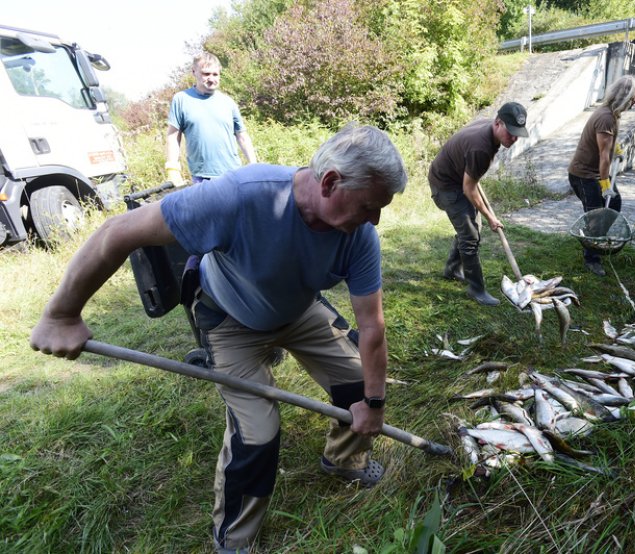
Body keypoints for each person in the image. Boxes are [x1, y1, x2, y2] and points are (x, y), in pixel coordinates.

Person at [29, 124, 408, 554]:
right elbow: (118, 231)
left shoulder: (359, 237)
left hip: (297, 309)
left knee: (361, 383)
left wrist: (374, 404)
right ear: (330, 182)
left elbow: (372, 328)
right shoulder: (244, 197)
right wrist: (61, 314)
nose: (374, 219)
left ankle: (344, 459)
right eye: (369, 206)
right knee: (258, 434)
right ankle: (234, 541)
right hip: (228, 317)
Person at [428, 102, 529, 306]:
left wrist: (469, 172)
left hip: (455, 178)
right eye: (510, 133)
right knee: (470, 236)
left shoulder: (487, 128)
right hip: (446, 186)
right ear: (498, 123)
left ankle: (452, 269)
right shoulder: (481, 148)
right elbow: (469, 189)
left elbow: (469, 178)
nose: (514, 138)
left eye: (518, 133)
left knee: (473, 228)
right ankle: (477, 289)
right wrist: (490, 216)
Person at [567, 74, 635, 277]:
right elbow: (603, 157)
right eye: (634, 97)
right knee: (596, 216)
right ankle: (591, 258)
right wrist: (604, 184)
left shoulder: (611, 113)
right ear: (624, 96)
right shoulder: (606, 117)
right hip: (584, 175)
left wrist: (615, 147)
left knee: (614, 204)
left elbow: (606, 146)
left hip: (592, 174)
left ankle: (595, 238)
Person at [165, 52, 258, 186]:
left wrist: (253, 164)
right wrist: (172, 168)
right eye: (206, 74)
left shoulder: (228, 102)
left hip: (232, 174)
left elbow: (242, 136)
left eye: (215, 74)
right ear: (194, 72)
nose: (211, 78)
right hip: (202, 178)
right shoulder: (182, 99)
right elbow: (173, 136)